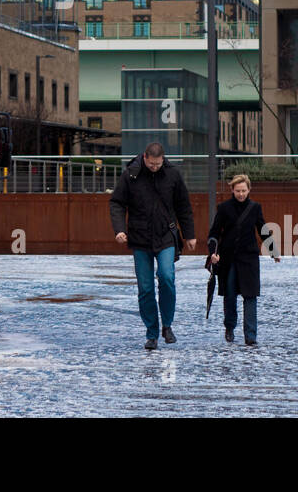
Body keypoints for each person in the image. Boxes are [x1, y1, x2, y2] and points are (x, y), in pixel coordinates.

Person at [110, 143, 196, 350]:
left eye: (158, 164)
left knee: (167, 277)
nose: (155, 167)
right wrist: (119, 229)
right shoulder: (131, 174)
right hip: (140, 238)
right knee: (146, 288)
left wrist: (189, 235)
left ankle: (167, 325)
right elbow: (117, 203)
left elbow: (183, 206)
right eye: (151, 164)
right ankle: (152, 333)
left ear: (163, 159)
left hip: (166, 235)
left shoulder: (172, 174)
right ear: (145, 157)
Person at [208, 173, 279, 345]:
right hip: (228, 257)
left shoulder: (255, 207)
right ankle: (230, 327)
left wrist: (273, 251)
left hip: (249, 257)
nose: (241, 194)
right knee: (230, 295)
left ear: (249, 190)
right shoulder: (224, 208)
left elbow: (262, 229)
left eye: (244, 191)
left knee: (250, 295)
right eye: (238, 190)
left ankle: (250, 335)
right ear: (232, 190)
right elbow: (214, 232)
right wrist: (213, 253)